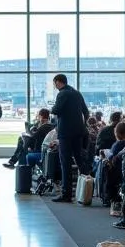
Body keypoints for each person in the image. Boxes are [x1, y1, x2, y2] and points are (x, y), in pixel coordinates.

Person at [50, 73, 89, 203]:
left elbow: (56, 110)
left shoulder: (62, 94)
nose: (55, 86)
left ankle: (66, 194)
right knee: (79, 160)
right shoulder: (77, 93)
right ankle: (88, 188)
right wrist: (81, 125)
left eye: (55, 83)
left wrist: (52, 108)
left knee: (65, 162)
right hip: (79, 132)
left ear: (58, 82)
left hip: (65, 133)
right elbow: (86, 112)